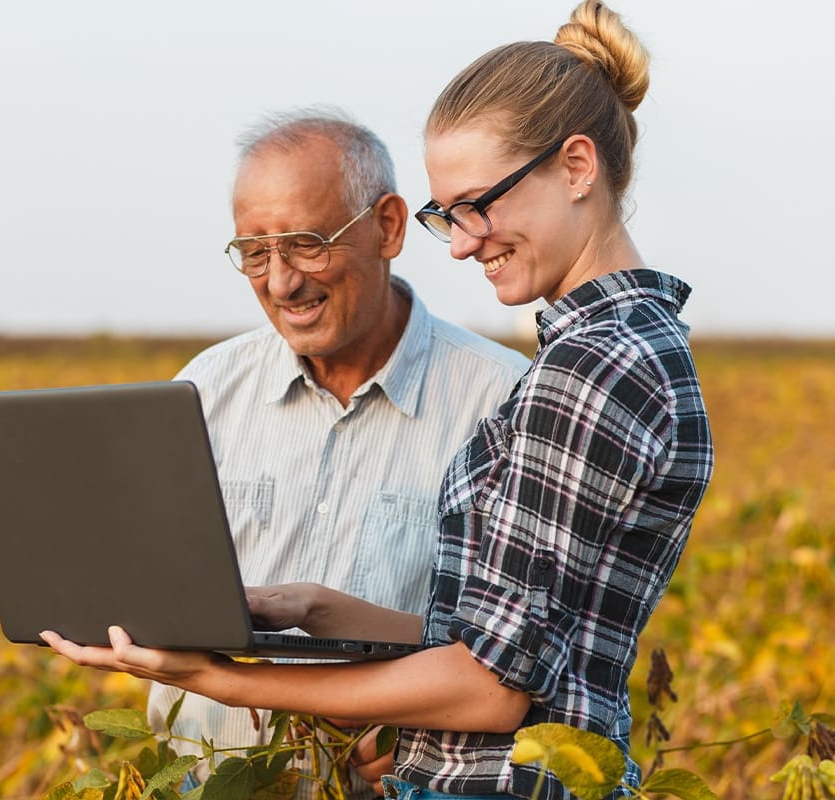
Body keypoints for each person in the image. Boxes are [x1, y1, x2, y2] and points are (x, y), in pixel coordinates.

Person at [43, 3, 715, 798]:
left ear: (576, 168)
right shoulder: (615, 347)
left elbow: (492, 688)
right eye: (448, 216)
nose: (462, 242)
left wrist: (224, 679)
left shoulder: (590, 366)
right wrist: (314, 608)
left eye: (478, 204)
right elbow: (513, 645)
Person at [147, 109, 530, 798]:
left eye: (306, 243)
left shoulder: (500, 401)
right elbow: (155, 595)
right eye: (254, 253)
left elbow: (511, 658)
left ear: (387, 227)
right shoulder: (203, 391)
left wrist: (417, 724)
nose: (281, 282)